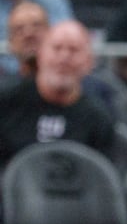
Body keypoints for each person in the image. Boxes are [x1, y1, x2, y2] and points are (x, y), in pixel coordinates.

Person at [0, 21, 115, 171]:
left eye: (74, 50)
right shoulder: (7, 102)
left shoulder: (98, 118)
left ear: (89, 62)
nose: (64, 57)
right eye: (56, 48)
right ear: (40, 54)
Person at [1, 0, 49, 80]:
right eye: (19, 29)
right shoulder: (4, 91)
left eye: (36, 25)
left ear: (51, 32)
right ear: (10, 41)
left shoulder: (73, 85)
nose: (28, 33)